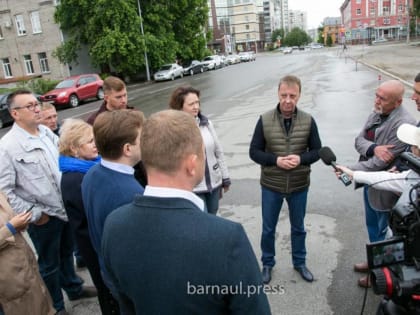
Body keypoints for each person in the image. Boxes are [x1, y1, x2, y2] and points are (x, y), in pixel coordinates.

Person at [101, 110, 271, 314]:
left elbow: (124, 300)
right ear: (191, 164)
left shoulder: (113, 224)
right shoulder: (226, 238)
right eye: (202, 155)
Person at [0, 90, 97, 314]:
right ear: (15, 113)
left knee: (66, 254)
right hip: (43, 218)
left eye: (37, 104)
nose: (37, 109)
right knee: (49, 265)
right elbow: (5, 191)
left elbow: (64, 159)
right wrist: (35, 215)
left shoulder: (45, 132)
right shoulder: (7, 147)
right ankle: (57, 305)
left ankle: (73, 287)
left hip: (63, 209)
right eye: (30, 106)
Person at [249, 75, 322, 284]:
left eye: (292, 95)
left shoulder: (308, 120)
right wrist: (275, 160)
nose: (288, 100)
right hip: (271, 185)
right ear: (278, 94)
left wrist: (301, 158)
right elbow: (254, 152)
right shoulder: (264, 119)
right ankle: (267, 264)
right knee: (268, 228)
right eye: (284, 95)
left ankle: (300, 263)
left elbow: (317, 151)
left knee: (298, 227)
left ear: (299, 96)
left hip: (299, 185)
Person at [349, 80, 416, 287]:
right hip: (370, 184)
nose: (376, 100)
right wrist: (373, 148)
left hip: (387, 188)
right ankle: (373, 263)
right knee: (372, 227)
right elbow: (358, 141)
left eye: (382, 98)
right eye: (377, 95)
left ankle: (380, 275)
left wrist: (350, 172)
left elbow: (380, 163)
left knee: (383, 232)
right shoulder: (377, 112)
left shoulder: (405, 124)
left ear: (397, 102)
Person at [82, 109, 145, 311]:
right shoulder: (130, 193)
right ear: (127, 148)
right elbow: (134, 255)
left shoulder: (92, 173)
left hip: (108, 272)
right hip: (128, 286)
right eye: (141, 138)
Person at [59, 118, 120, 315]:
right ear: (74, 148)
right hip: (95, 247)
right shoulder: (74, 178)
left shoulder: (89, 166)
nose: (96, 145)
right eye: (90, 141)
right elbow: (90, 217)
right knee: (108, 291)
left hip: (99, 241)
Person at [169, 86, 231, 214]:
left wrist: (225, 177)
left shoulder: (206, 123)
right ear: (180, 106)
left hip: (214, 183)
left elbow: (218, 151)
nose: (196, 106)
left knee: (213, 216)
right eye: (191, 104)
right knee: (202, 220)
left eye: (197, 102)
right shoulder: (174, 129)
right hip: (193, 187)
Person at [0, 191, 55, 315]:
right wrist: (11, 227)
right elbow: (9, 226)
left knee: (38, 301)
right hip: (7, 277)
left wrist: (21, 221)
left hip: (22, 263)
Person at [86, 75, 147, 187]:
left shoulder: (134, 114)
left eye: (125, 95)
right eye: (118, 97)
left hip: (142, 171)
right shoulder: (95, 122)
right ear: (106, 97)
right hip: (116, 177)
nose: (123, 100)